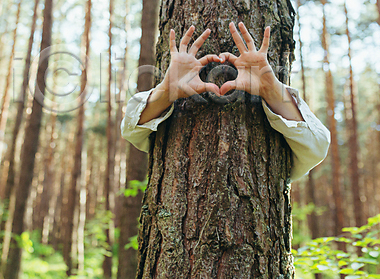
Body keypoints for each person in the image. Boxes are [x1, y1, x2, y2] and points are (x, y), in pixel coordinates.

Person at [121, 22, 330, 181]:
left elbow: (318, 145)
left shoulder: (293, 153)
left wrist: (272, 90)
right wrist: (166, 92)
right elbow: (130, 129)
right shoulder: (152, 131)